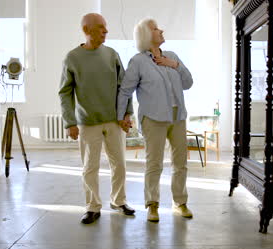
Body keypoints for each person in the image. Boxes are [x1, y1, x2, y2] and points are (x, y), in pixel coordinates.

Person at [59, 13, 135, 225]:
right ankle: (92, 207)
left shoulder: (112, 54)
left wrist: (127, 113)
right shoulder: (72, 58)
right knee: (90, 167)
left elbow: (124, 87)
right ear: (87, 30)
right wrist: (70, 122)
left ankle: (119, 201)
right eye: (101, 27)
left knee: (119, 164)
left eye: (106, 27)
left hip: (114, 121)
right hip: (87, 122)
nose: (106, 31)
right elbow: (65, 92)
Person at [117, 18, 193, 222]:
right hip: (153, 119)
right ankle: (152, 205)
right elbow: (125, 91)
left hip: (178, 117)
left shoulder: (173, 56)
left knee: (181, 162)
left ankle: (180, 202)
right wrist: (122, 115)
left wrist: (174, 65)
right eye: (156, 28)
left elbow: (188, 83)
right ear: (146, 35)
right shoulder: (138, 61)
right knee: (154, 164)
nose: (161, 30)